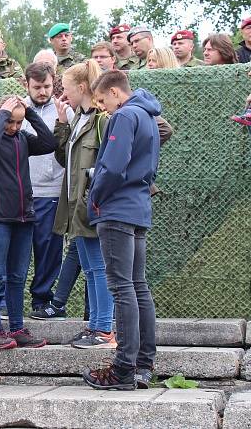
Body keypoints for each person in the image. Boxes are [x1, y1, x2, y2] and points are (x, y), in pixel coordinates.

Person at [83, 70, 161, 391]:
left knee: (121, 287)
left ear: (115, 92)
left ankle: (123, 369)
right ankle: (143, 364)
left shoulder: (125, 115)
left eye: (103, 100)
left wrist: (95, 197)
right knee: (138, 286)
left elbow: (113, 166)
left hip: (117, 209)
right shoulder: (148, 116)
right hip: (139, 208)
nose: (103, 108)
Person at [0, 94, 56, 350]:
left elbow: (48, 142)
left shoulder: (22, 138)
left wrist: (30, 113)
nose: (15, 128)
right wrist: (0, 118)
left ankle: (17, 328)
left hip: (23, 216)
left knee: (18, 276)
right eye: (11, 122)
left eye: (19, 123)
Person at [52, 61, 116, 349]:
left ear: (81, 87)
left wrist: (96, 191)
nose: (63, 95)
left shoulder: (103, 119)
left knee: (100, 268)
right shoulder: (79, 117)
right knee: (90, 268)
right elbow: (65, 158)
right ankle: (95, 326)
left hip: (92, 204)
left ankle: (104, 329)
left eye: (66, 89)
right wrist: (62, 123)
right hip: (75, 205)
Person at [21, 63, 73, 319]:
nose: (42, 92)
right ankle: (6, 300)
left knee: (48, 250)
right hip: (22, 191)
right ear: (26, 84)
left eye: (47, 87)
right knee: (17, 251)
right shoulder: (17, 110)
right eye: (37, 87)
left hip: (52, 190)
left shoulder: (65, 111)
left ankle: (42, 299)